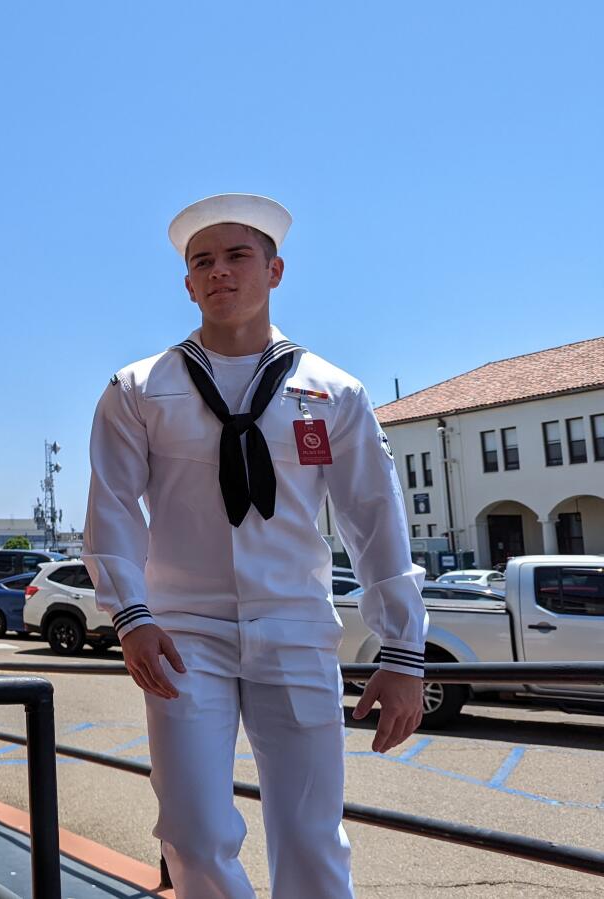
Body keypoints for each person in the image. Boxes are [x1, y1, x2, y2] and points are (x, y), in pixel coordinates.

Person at [82, 194, 428, 899]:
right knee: (192, 832)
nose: (219, 272)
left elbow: (375, 521)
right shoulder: (139, 390)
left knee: (312, 835)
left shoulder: (334, 393)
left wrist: (404, 650)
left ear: (274, 270)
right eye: (201, 261)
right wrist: (132, 615)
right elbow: (113, 509)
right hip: (183, 634)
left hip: (297, 628)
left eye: (237, 255)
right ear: (187, 283)